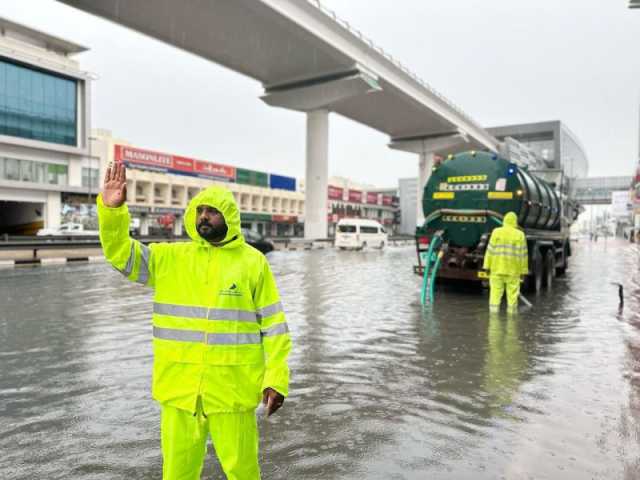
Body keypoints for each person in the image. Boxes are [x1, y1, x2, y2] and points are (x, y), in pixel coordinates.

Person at [97, 162, 292, 480]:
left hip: (232, 392)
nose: (204, 217)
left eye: (212, 212)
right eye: (199, 210)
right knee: (176, 473)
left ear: (228, 217)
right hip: (179, 392)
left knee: (243, 472)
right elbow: (121, 254)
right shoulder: (170, 258)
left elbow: (274, 327)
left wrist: (276, 379)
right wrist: (111, 211)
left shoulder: (252, 263)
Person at [482, 211, 528, 313]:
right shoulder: (520, 235)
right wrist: (523, 272)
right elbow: (523, 256)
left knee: (495, 296)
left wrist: (486, 267)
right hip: (513, 272)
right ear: (515, 222)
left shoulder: (496, 232)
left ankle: (493, 321)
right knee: (512, 298)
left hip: (496, 270)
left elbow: (489, 251)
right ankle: (511, 322)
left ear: (504, 221)